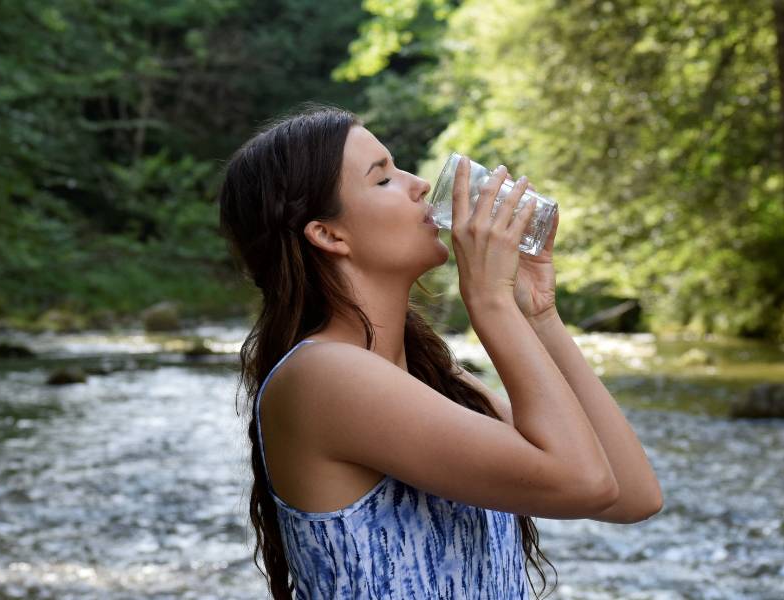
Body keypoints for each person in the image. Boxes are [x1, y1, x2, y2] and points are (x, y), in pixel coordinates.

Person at [217, 105, 663, 599]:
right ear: (329, 234)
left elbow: (632, 494)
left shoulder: (434, 381)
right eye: (383, 178)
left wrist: (537, 314)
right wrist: (490, 302)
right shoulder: (323, 376)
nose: (420, 185)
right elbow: (584, 482)